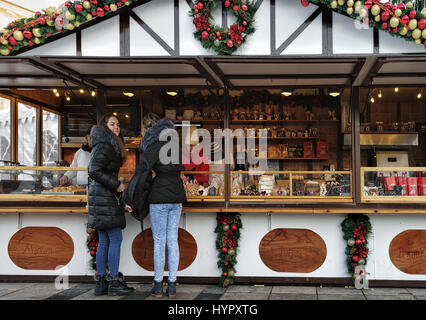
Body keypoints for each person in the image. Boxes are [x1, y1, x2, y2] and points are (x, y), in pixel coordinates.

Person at [126, 113, 186, 299]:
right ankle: (173, 285)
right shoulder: (174, 146)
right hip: (176, 197)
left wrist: (131, 196)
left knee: (160, 241)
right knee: (172, 240)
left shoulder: (153, 146)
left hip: (159, 198)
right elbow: (178, 170)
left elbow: (141, 173)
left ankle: (158, 285)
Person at [87, 114, 134, 296]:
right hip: (103, 197)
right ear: (105, 127)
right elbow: (94, 170)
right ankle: (114, 281)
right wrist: (117, 184)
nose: (117, 127)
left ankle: (101, 283)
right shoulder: (105, 146)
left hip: (103, 197)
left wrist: (121, 203)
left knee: (105, 240)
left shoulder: (105, 144)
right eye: (112, 124)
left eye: (118, 124)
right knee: (115, 239)